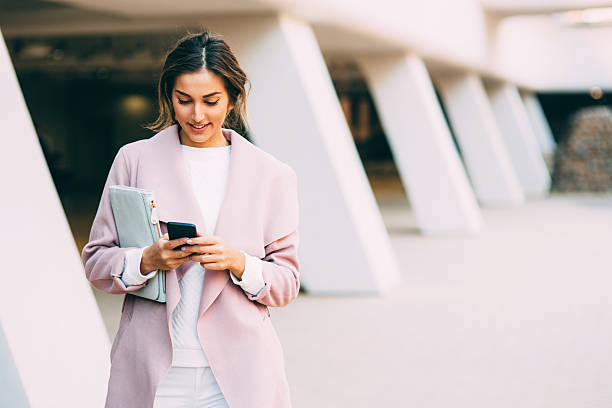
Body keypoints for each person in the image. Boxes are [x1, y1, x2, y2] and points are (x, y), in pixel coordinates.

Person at [82, 31, 300, 408]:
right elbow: (97, 261)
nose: (197, 115)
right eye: (184, 101)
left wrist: (238, 262)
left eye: (210, 101)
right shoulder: (134, 160)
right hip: (154, 373)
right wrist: (146, 260)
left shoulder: (272, 174)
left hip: (239, 374)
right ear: (169, 97)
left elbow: (286, 283)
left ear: (233, 98)